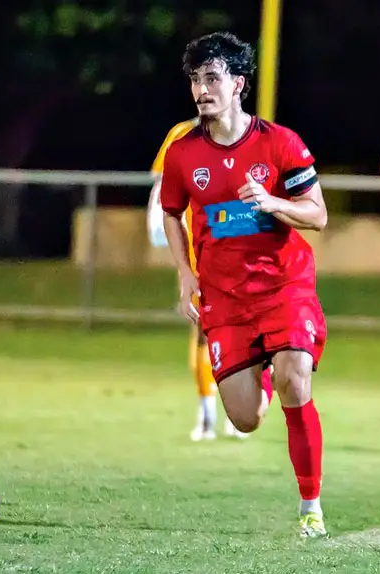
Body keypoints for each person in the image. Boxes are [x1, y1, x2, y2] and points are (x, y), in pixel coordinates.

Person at [159, 31, 329, 538]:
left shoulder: (281, 143)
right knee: (246, 418)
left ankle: (311, 509)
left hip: (284, 287)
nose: (201, 89)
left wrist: (274, 204)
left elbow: (317, 215)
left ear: (238, 85)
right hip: (225, 297)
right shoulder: (182, 154)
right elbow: (172, 214)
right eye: (195, 79)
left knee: (295, 377)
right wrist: (186, 274)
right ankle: (267, 368)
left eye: (212, 77)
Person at [147, 118, 270, 441]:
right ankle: (208, 415)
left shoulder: (250, 135)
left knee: (240, 331)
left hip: (236, 246)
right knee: (206, 331)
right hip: (203, 250)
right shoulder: (183, 134)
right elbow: (163, 191)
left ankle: (233, 411)